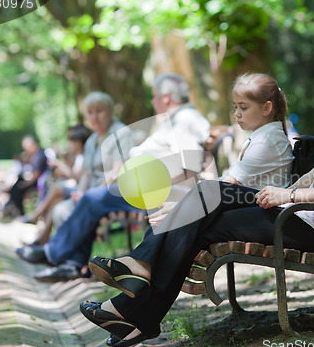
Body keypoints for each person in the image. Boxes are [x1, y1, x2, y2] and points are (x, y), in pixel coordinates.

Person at [79, 27, 314, 347]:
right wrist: (289, 195)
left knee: (206, 198)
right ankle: (136, 309)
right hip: (308, 216)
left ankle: (138, 284)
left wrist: (288, 196)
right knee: (202, 212)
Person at [15, 74, 213, 281]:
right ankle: (69, 262)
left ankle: (53, 254)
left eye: (154, 96)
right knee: (90, 198)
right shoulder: (176, 119)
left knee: (92, 198)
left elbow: (188, 166)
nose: (152, 101)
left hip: (149, 191)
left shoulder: (184, 120)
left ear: (166, 98)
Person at [15, 91, 134, 268]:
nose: (94, 116)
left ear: (110, 111)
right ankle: (73, 263)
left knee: (86, 201)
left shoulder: (121, 133)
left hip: (113, 193)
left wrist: (89, 193)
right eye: (90, 112)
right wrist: (81, 191)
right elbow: (86, 173)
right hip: (92, 193)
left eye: (99, 111)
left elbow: (118, 172)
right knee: (61, 210)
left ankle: (52, 253)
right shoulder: (92, 139)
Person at [22, 124, 92, 245]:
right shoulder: (79, 156)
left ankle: (37, 215)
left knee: (56, 188)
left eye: (70, 140)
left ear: (78, 142)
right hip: (77, 189)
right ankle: (42, 239)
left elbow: (77, 177)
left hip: (83, 191)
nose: (68, 144)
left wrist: (60, 163)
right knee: (56, 201)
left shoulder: (84, 156)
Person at [3, 135, 48, 218]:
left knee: (17, 188)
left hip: (38, 183)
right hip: (34, 180)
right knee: (17, 184)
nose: (26, 150)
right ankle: (13, 207)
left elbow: (35, 175)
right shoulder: (36, 155)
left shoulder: (39, 156)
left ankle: (19, 211)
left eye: (26, 147)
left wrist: (24, 183)